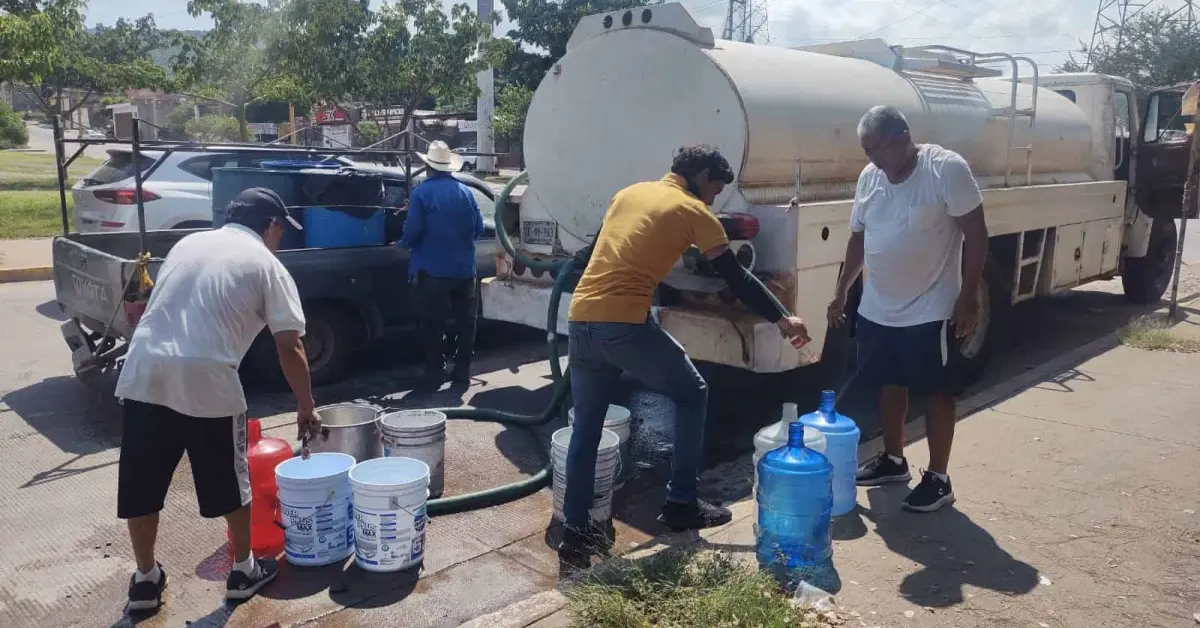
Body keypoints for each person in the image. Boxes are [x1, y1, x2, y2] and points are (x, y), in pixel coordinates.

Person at [561, 146, 810, 557]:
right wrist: (784, 319)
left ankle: (575, 531)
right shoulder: (693, 211)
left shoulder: (629, 194)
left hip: (580, 317)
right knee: (692, 393)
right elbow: (736, 278)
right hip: (622, 323)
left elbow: (590, 255)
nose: (714, 197)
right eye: (714, 186)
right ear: (699, 174)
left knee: (586, 428)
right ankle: (681, 504)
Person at [114, 188, 321, 612]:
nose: (279, 238)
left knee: (142, 482)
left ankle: (145, 580)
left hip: (143, 369)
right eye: (280, 230)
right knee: (231, 479)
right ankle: (243, 570)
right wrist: (305, 404)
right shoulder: (267, 263)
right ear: (269, 226)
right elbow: (290, 345)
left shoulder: (188, 243)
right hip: (208, 376)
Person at [829, 105, 988, 513]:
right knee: (887, 382)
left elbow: (976, 233)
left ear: (903, 138)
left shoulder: (945, 169)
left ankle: (938, 478)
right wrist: (843, 290)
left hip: (931, 309)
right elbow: (857, 238)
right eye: (866, 152)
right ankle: (894, 460)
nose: (873, 160)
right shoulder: (871, 177)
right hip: (878, 308)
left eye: (878, 149)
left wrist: (969, 295)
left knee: (937, 391)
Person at [401, 140, 485, 388]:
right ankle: (462, 372)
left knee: (433, 323)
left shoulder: (422, 193)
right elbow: (478, 228)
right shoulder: (466, 192)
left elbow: (412, 233)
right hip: (464, 271)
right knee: (466, 322)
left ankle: (435, 372)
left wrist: (402, 243)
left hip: (433, 272)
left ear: (429, 167)